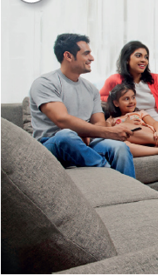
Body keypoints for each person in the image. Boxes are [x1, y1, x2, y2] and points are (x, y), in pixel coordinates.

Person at [29, 33, 136, 178]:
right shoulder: (45, 83)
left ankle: (129, 195)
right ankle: (109, 175)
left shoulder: (90, 88)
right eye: (86, 54)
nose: (91, 58)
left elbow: (99, 122)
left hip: (84, 142)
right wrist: (105, 132)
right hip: (52, 144)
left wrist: (90, 134)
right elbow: (62, 120)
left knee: (120, 148)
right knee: (66, 135)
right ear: (68, 56)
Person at [106, 83, 158, 157]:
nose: (131, 101)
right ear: (116, 103)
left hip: (149, 135)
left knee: (124, 128)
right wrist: (123, 125)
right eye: (126, 99)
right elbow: (109, 135)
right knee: (123, 145)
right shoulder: (111, 120)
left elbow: (155, 123)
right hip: (137, 144)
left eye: (133, 97)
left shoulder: (139, 113)